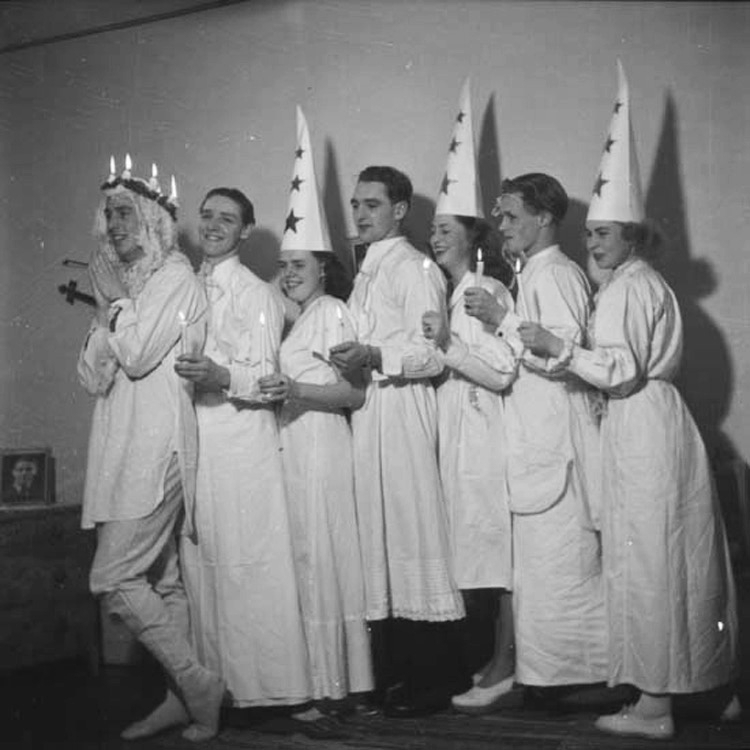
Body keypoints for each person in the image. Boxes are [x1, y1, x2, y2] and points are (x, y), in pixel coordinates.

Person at [518, 62, 740, 740]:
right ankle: (709, 692)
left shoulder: (626, 289)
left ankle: (653, 707)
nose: (593, 244)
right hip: (658, 424)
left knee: (649, 563)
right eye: (590, 233)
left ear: (634, 237)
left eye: (604, 234)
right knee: (681, 562)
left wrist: (555, 346)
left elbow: (618, 370)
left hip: (643, 427)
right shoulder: (645, 285)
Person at [78, 157, 221, 742]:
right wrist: (106, 309)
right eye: (109, 214)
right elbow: (92, 375)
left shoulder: (176, 278)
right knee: (163, 582)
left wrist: (114, 304)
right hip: (121, 449)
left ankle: (198, 684)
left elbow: (135, 357)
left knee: (112, 579)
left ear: (153, 220)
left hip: (158, 450)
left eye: (125, 213)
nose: (113, 225)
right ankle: (181, 700)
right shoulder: (129, 286)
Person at [329, 165, 465, 717]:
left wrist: (375, 355)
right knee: (380, 536)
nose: (360, 214)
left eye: (373, 204)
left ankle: (434, 677)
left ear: (400, 210)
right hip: (372, 411)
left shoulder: (416, 268)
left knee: (411, 530)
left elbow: (432, 354)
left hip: (405, 409)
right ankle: (398, 673)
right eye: (356, 204)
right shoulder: (368, 271)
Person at [468, 172, 608, 693]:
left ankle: (588, 679)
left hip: (559, 447)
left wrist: (502, 319)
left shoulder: (558, 275)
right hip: (536, 442)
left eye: (512, 216)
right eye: (500, 216)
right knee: (544, 573)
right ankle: (551, 679)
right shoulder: (533, 274)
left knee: (564, 567)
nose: (502, 226)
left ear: (545, 217)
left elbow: (561, 356)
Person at [258, 107, 373, 725]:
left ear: (323, 267)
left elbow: (353, 395)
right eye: (284, 267)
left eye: (299, 266)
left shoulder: (332, 313)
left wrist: (296, 390)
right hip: (294, 449)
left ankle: (339, 687)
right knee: (305, 558)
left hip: (324, 447)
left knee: (326, 558)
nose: (289, 275)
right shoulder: (292, 320)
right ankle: (321, 682)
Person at [175, 187, 311, 710]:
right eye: (207, 216)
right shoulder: (186, 286)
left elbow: (267, 379)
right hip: (196, 440)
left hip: (240, 441)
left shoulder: (256, 293)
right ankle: (214, 689)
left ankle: (264, 690)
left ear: (246, 230)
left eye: (227, 219)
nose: (213, 226)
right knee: (203, 563)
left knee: (245, 564)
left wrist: (221, 374)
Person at [420, 78, 518, 715]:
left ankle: (508, 664)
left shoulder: (487, 290)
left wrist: (450, 345)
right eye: (432, 230)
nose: (435, 239)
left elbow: (501, 372)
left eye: (445, 229)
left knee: (496, 556)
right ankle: (495, 658)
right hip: (457, 434)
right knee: (474, 555)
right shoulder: (450, 292)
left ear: (472, 235)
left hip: (485, 438)